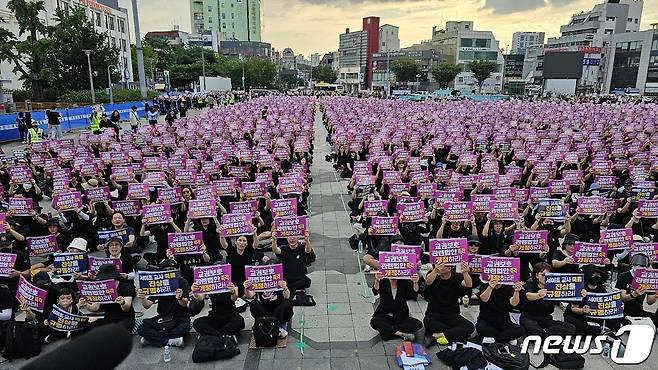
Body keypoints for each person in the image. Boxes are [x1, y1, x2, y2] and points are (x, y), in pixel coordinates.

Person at [137, 259, 191, 348]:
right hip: (162, 318)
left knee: (184, 328)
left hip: (180, 318)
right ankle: (169, 341)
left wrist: (180, 297)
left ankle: (152, 338)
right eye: (165, 270)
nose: (168, 271)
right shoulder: (158, 283)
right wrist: (143, 299)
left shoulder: (182, 282)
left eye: (171, 269)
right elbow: (147, 305)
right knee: (141, 329)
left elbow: (185, 304)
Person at [423, 262, 474, 346]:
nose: (438, 267)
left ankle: (438, 335)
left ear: (449, 268)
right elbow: (428, 282)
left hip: (452, 314)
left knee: (469, 327)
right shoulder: (433, 273)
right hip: (434, 313)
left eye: (441, 266)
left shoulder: (457, 277)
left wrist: (465, 272)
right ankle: (454, 333)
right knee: (427, 322)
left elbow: (469, 284)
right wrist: (436, 270)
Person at [521, 262, 576, 338]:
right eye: (543, 275)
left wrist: (580, 293)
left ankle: (542, 334)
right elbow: (529, 296)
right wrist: (539, 295)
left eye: (549, 275)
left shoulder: (555, 287)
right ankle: (545, 335)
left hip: (545, 319)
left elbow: (568, 295)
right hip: (530, 318)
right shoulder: (530, 285)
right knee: (530, 326)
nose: (546, 277)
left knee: (571, 327)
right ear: (537, 275)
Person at [80, 264, 136, 332]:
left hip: (125, 318)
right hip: (109, 318)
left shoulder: (125, 287)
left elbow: (126, 308)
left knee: (117, 330)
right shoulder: (100, 288)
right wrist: (86, 304)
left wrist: (122, 302)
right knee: (88, 328)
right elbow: (94, 308)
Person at [370, 271, 422, 341]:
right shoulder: (383, 280)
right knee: (374, 321)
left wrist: (415, 282)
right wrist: (377, 280)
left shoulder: (404, 282)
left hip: (400, 315)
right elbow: (375, 291)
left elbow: (414, 292)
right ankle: (399, 333)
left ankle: (388, 330)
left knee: (418, 324)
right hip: (385, 314)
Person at [476, 278, 525, 344]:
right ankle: (505, 338)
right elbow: (484, 299)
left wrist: (516, 291)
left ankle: (494, 340)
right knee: (481, 328)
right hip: (486, 320)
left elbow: (514, 303)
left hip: (504, 321)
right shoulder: (485, 283)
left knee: (520, 330)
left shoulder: (507, 286)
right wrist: (490, 287)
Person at [616, 253, 658, 326]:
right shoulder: (624, 276)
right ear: (632, 265)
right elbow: (622, 298)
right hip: (623, 310)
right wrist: (634, 294)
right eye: (636, 265)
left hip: (638, 310)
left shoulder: (648, 278)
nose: (638, 267)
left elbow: (650, 302)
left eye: (642, 266)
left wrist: (655, 295)